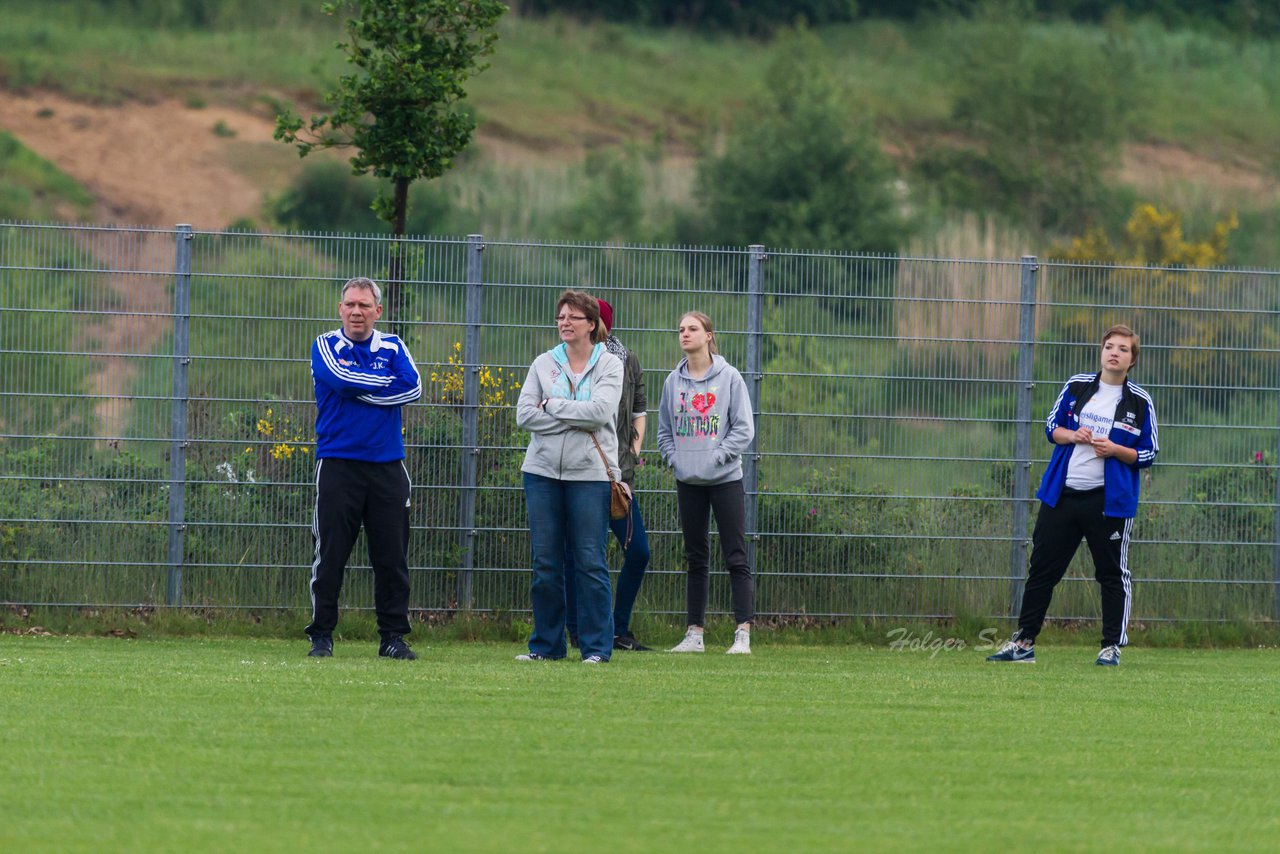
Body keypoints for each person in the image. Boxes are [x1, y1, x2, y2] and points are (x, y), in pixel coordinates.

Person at [988, 324, 1159, 666]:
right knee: (1042, 570)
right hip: (1062, 496)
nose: (1114, 353)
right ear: (1101, 351)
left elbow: (1149, 453)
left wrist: (1114, 449)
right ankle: (1023, 644)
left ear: (1132, 360)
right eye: (1109, 346)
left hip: (1107, 502)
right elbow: (1052, 428)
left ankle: (1111, 646)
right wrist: (1074, 434)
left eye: (1123, 349)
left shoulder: (1139, 402)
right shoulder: (1077, 386)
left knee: (1111, 574)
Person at [305, 276, 423, 659]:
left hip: (388, 466)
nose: (357, 311)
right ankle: (321, 635)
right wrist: (382, 387)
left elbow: (413, 388)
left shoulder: (392, 345)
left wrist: (363, 389)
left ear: (378, 311)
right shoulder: (325, 345)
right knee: (331, 555)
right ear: (340, 309)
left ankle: (392, 638)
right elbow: (339, 380)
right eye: (350, 305)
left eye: (364, 305)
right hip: (339, 464)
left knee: (392, 558)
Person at [515, 290, 624, 664]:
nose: (564, 322)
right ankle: (546, 646)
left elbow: (598, 413)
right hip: (541, 473)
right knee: (545, 564)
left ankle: (596, 649)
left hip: (590, 476)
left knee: (590, 561)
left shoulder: (610, 365)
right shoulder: (543, 363)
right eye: (561, 316)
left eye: (573, 317)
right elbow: (525, 415)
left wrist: (554, 407)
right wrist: (569, 416)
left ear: (591, 325)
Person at [657, 311, 757, 655]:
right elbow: (664, 432)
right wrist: (678, 460)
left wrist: (717, 457)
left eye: (692, 329)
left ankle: (742, 632)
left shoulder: (729, 378)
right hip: (689, 480)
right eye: (681, 329)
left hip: (725, 479)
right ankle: (694, 634)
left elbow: (744, 429)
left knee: (735, 555)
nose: (684, 334)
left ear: (708, 335)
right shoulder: (673, 382)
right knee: (696, 557)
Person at [564, 298, 654, 652]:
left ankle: (619, 628)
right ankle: (575, 629)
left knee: (638, 550)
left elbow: (640, 409)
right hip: (579, 470)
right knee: (578, 554)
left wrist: (632, 453)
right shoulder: (570, 359)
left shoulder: (625, 359)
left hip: (617, 475)